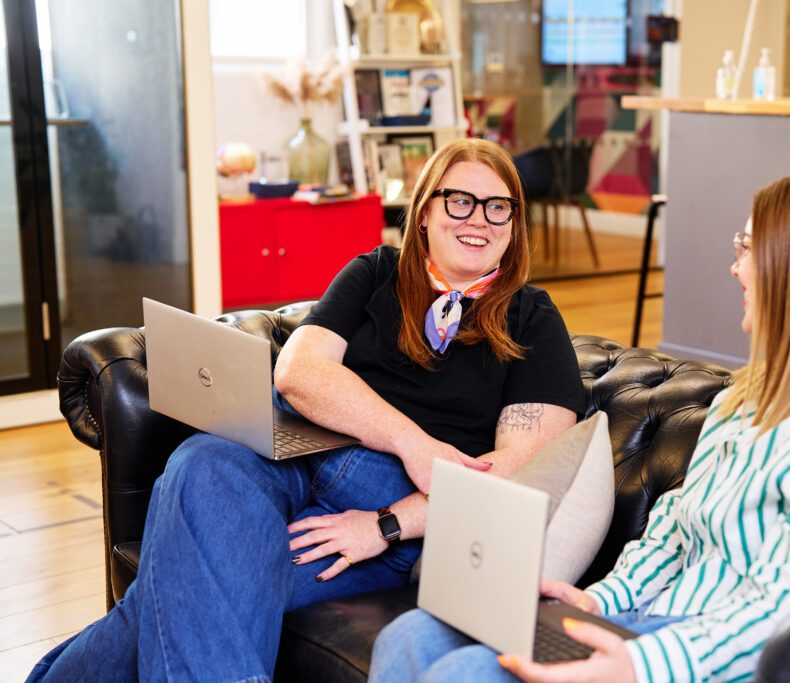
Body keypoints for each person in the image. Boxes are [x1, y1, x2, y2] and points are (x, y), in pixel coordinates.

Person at [29, 138, 585, 682]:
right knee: (201, 460)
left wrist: (388, 524)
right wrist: (413, 443)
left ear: (514, 223)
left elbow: (518, 467)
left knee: (170, 589)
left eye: (498, 207)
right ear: (424, 213)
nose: (479, 219)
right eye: (460, 201)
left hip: (393, 498)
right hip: (296, 450)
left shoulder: (532, 318)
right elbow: (298, 373)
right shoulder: (376, 272)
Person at [368, 166, 790, 683]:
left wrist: (641, 663)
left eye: (749, 247)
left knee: (470, 674)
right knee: (412, 635)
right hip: (654, 623)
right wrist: (599, 602)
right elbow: (675, 528)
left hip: (717, 656)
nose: (736, 266)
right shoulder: (751, 395)